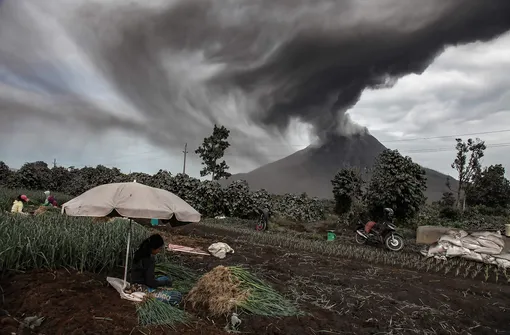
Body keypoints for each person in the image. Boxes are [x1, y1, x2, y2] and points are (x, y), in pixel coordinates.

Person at [130, 234, 182, 305]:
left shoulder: (139, 253)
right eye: (159, 249)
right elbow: (150, 282)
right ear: (153, 248)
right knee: (176, 296)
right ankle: (154, 294)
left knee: (165, 279)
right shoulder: (149, 260)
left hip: (134, 284)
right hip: (142, 288)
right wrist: (160, 285)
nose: (159, 251)